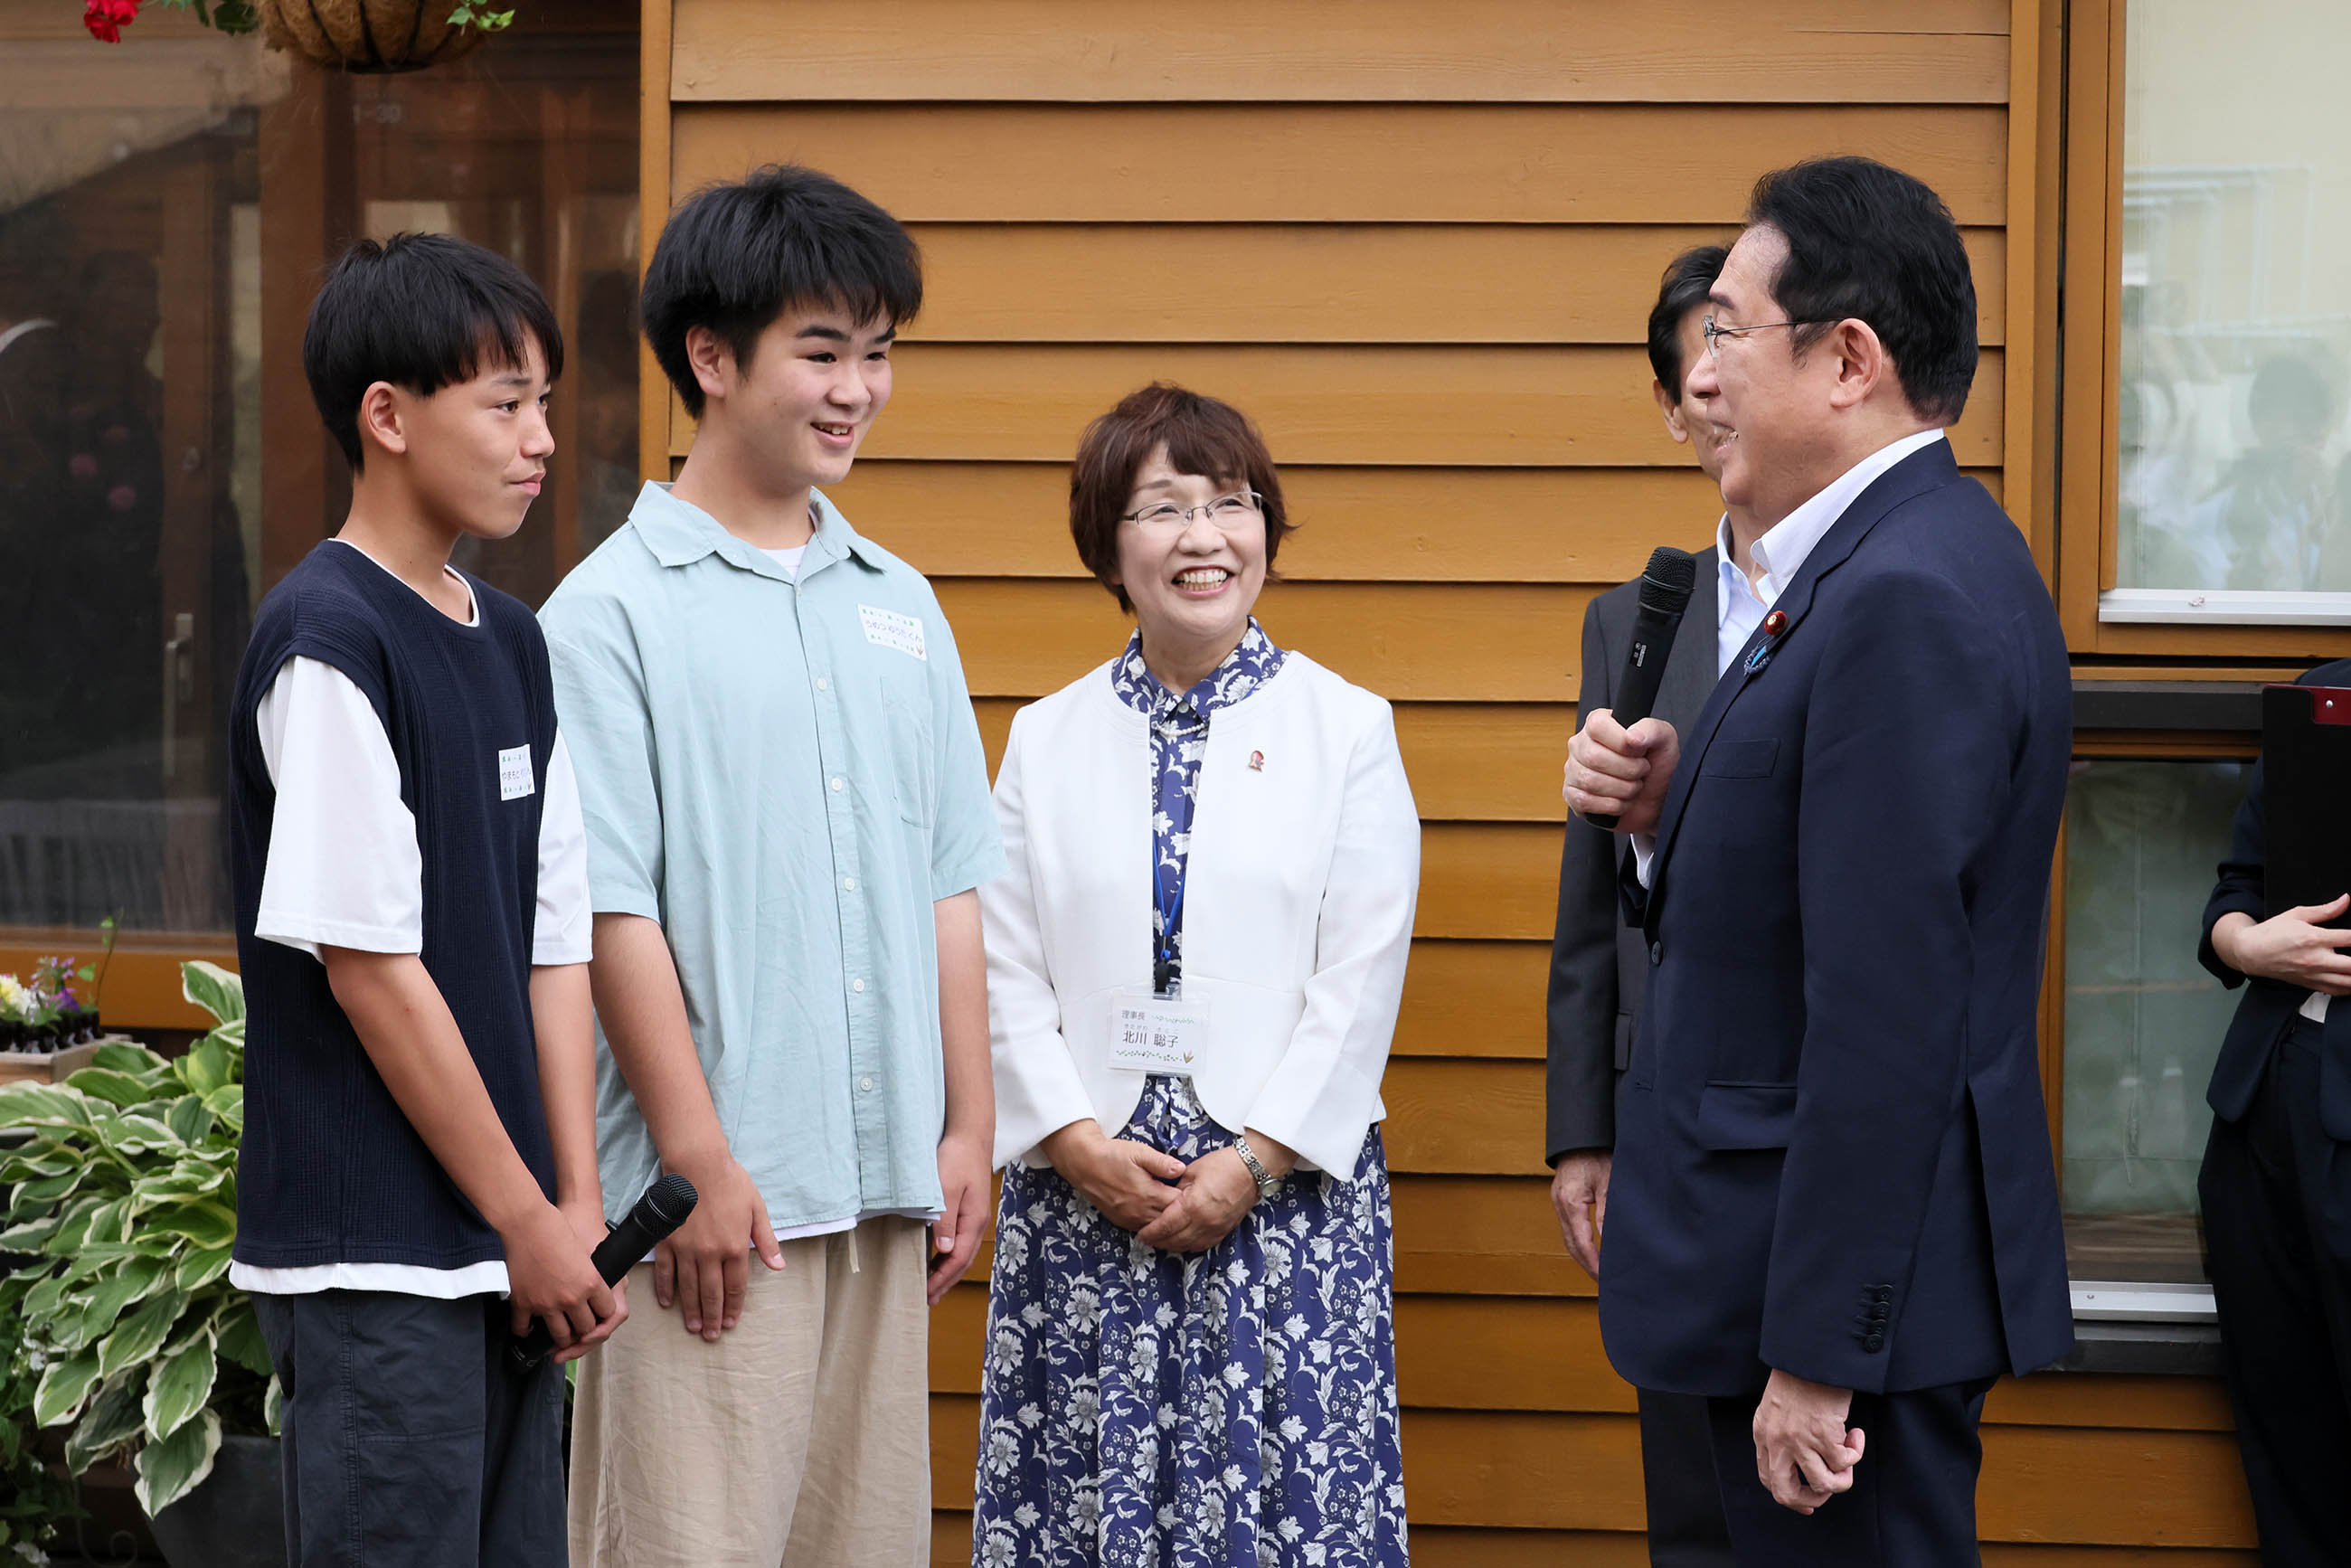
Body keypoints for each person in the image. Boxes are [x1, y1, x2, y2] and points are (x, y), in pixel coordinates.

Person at [1562, 156, 2075, 1565]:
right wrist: (1672, 819)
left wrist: (1816, 1355)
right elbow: (1807, 902)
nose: (1699, 377)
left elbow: (1892, 1007)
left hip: (1818, 1322)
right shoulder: (1870, 565)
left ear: (1849, 359)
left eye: (1726, 331)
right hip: (1751, 1280)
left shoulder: (1904, 589)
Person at [544, 165, 1004, 1567]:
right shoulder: (606, 614)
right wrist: (692, 1161)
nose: (857, 387)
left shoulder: (902, 606)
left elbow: (950, 882)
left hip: (883, 1198)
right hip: (716, 1212)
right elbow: (610, 909)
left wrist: (970, 1128)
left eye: (877, 354)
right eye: (822, 350)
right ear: (710, 354)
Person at [972, 383, 1421, 1566]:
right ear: (1107, 543)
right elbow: (1000, 963)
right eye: (1164, 508)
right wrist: (1070, 1138)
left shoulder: (1347, 729)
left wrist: (1253, 1160)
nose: (1205, 537)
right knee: (1084, 1501)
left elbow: (1359, 978)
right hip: (1088, 1188)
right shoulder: (1044, 736)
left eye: (1234, 504)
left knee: (1282, 1504)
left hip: (1278, 1196)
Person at [225, 232, 623, 1567]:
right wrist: (526, 1217)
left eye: (544, 403)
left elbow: (553, 943)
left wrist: (572, 1201)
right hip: (379, 1258)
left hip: (512, 1251)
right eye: (504, 402)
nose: (542, 440)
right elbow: (371, 968)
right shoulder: (327, 636)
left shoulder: (511, 639)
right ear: (385, 416)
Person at [1546, 242, 1738, 1568]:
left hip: (1801, 1114)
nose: (1722, 385)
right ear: (1672, 410)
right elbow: (1587, 903)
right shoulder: (1638, 615)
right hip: (1656, 1115)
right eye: (1696, 371)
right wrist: (1581, 1132)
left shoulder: (1866, 597)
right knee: (1688, 1501)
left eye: (1746, 346)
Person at [2195, 666, 2351, 1562]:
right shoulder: (2324, 699)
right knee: (2288, 1452)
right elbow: (2231, 897)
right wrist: (2251, 944)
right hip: (2262, 1116)